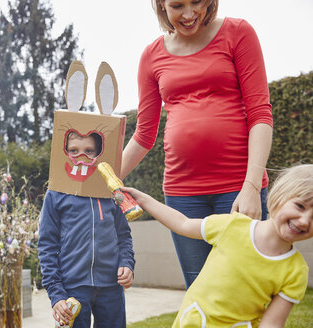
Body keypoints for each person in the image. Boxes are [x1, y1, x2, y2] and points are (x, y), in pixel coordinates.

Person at [121, 0, 274, 287]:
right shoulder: (151, 56)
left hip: (238, 189)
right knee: (201, 290)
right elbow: (144, 134)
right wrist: (105, 180)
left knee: (245, 289)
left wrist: (252, 187)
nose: (190, 14)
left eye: (198, 2)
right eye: (178, 5)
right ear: (161, 5)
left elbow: (260, 114)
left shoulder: (238, 33)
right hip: (182, 195)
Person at [122, 163, 312, 327]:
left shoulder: (295, 272)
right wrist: (143, 199)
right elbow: (183, 223)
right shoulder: (232, 226)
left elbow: (271, 324)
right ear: (279, 197)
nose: (304, 221)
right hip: (193, 322)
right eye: (300, 206)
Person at [38, 131, 135, 328]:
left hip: (111, 287)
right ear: (64, 152)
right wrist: (56, 293)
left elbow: (123, 235)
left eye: (89, 151)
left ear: (99, 153)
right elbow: (47, 245)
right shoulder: (56, 194)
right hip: (72, 287)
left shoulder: (111, 192)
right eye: (74, 150)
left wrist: (127, 262)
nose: (81, 157)